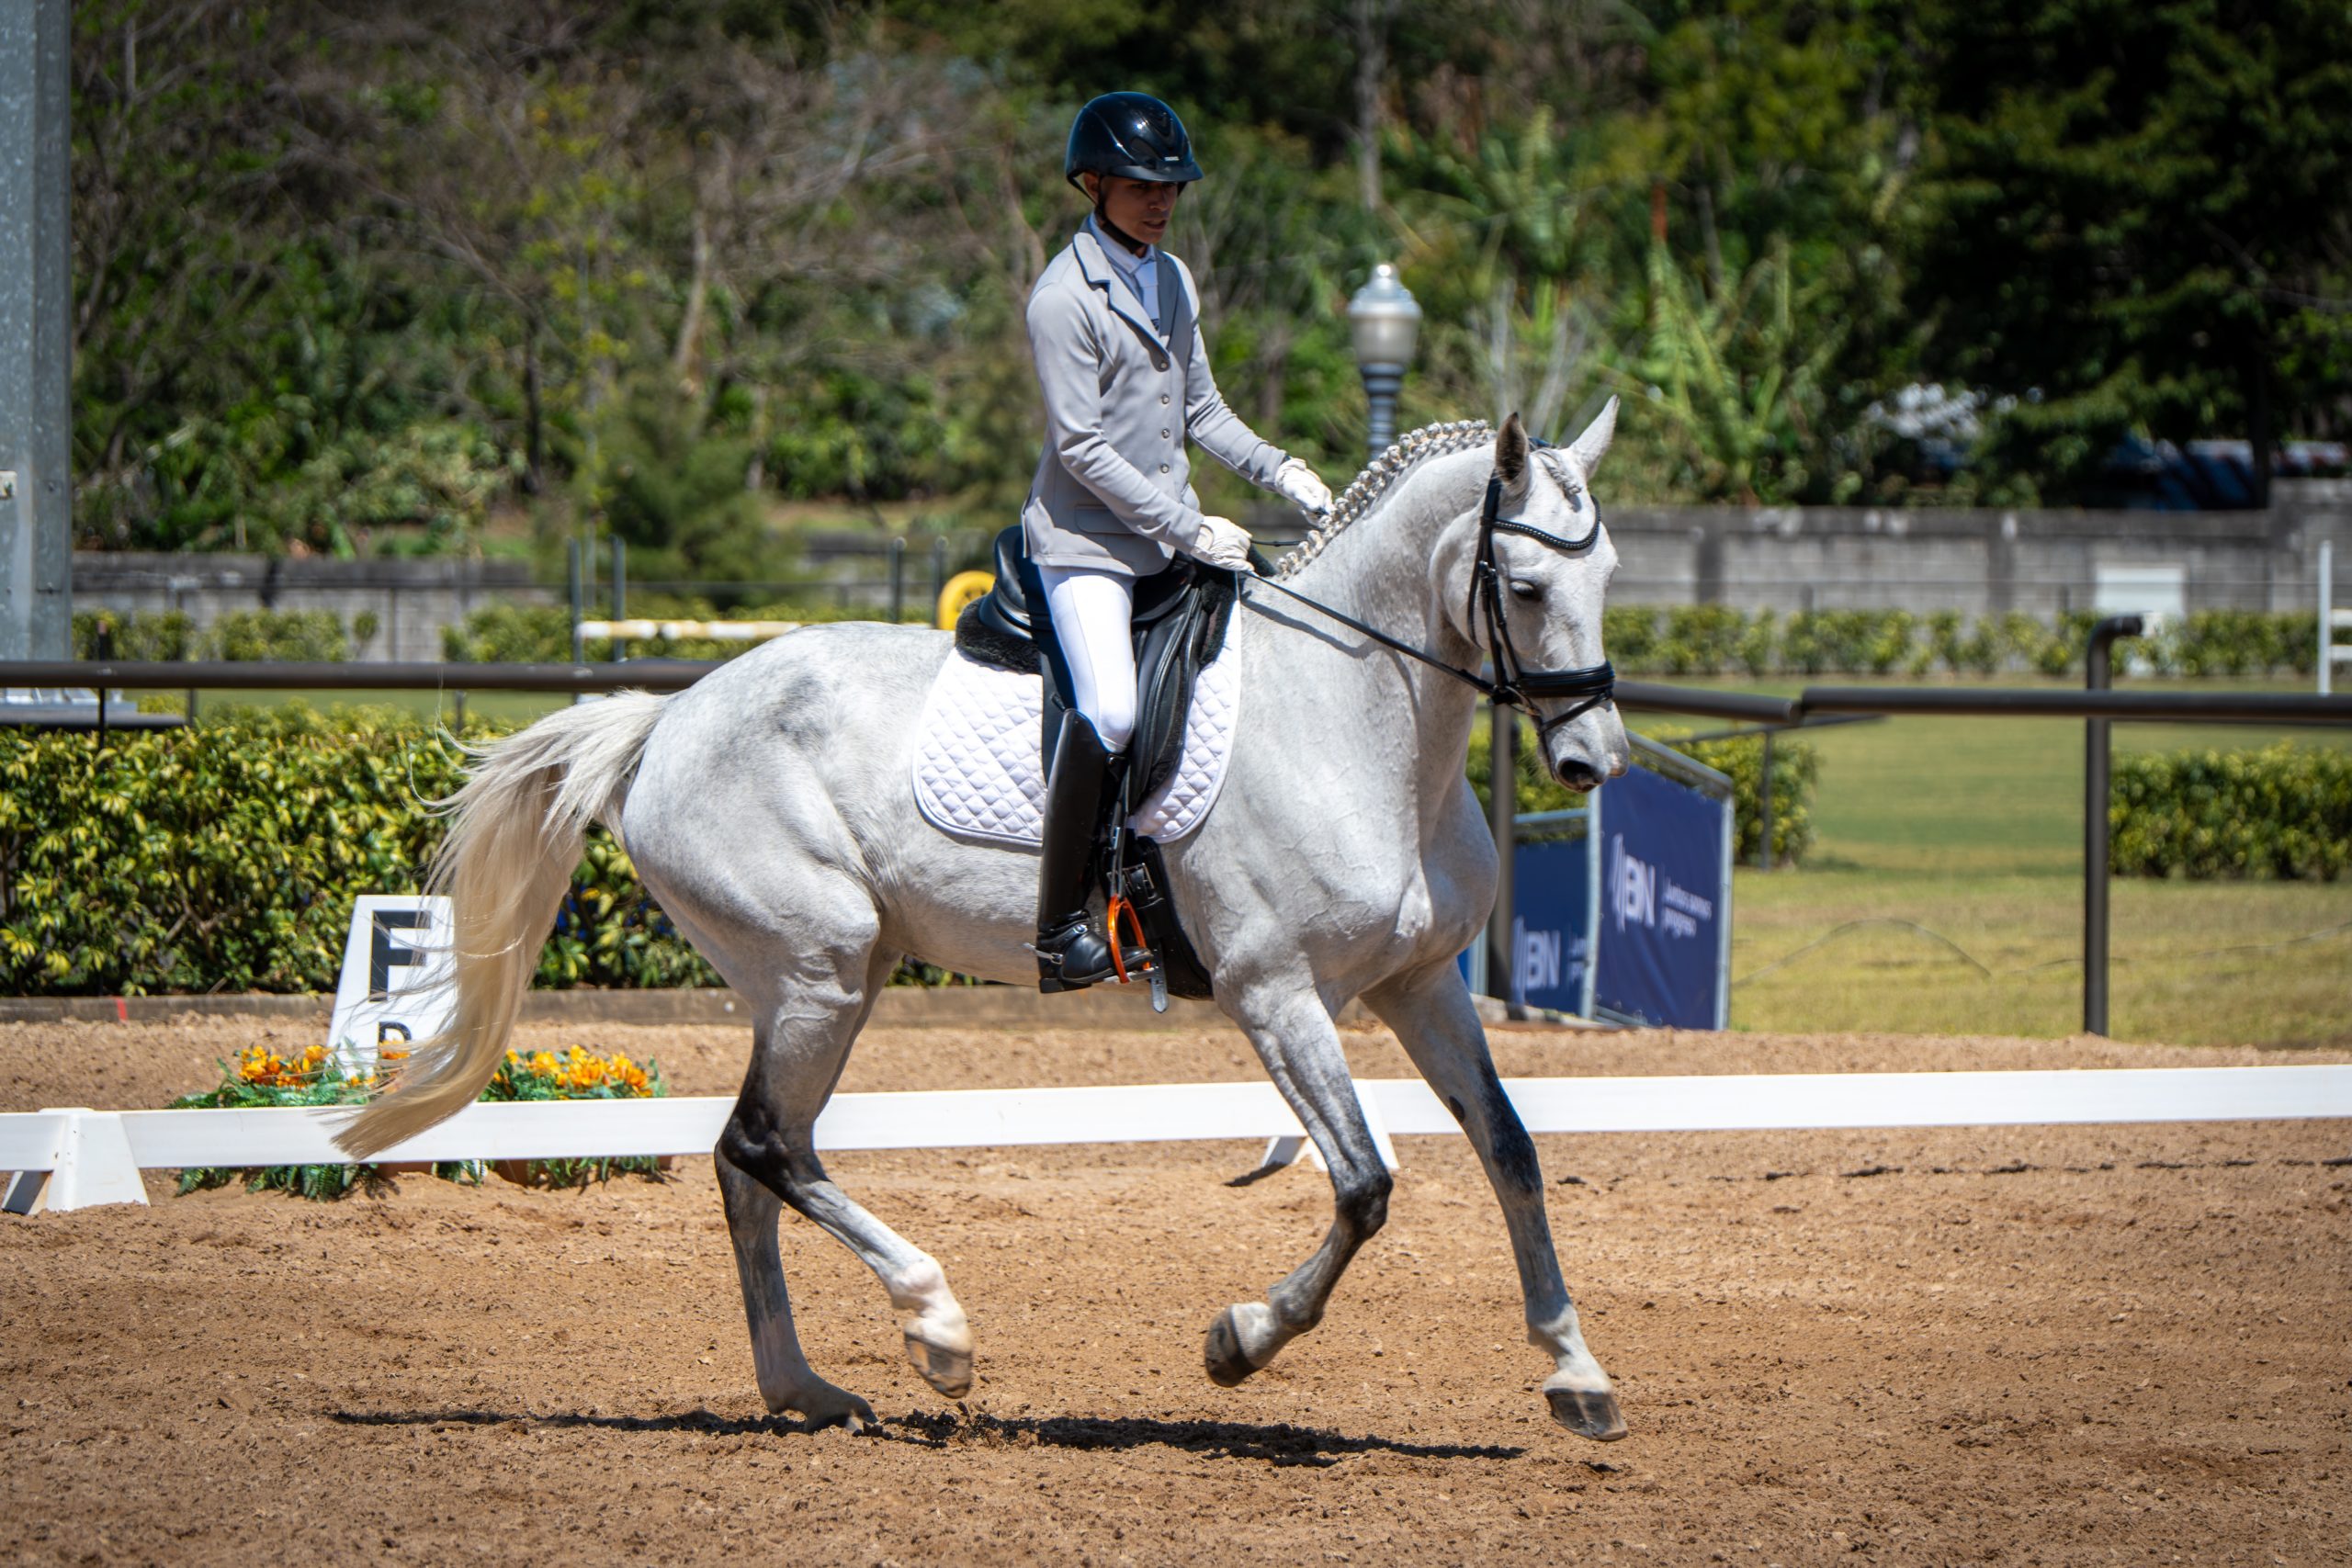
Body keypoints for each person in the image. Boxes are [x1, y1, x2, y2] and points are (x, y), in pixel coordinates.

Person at [1023, 91, 1335, 992]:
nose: (1161, 201)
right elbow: (1081, 449)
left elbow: (1200, 410)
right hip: (1085, 546)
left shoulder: (1172, 277)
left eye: (1171, 186)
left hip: (1170, 538)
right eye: (1141, 185)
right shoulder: (1061, 298)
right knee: (1114, 711)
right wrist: (1190, 527)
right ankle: (1058, 928)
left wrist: (1279, 468)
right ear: (1093, 183)